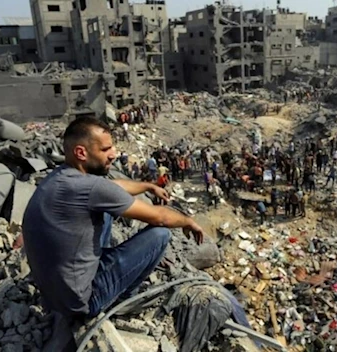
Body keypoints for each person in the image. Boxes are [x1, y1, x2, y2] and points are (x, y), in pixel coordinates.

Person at [21, 117, 204, 319]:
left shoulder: (61, 176)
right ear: (81, 153)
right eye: (105, 149)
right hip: (82, 303)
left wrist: (148, 186)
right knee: (160, 234)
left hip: (54, 293)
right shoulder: (90, 188)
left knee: (106, 212)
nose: (113, 155)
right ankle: (123, 298)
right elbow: (160, 218)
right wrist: (188, 221)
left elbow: (113, 188)